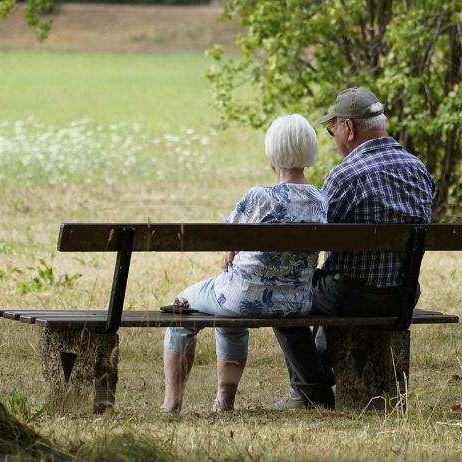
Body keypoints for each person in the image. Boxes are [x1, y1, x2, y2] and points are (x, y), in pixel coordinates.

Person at [267, 87, 436, 410]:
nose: (334, 138)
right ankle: (316, 377)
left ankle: (312, 391)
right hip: (403, 296)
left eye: (333, 131)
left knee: (281, 294)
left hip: (353, 297)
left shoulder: (344, 176)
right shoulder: (419, 170)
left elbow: (315, 241)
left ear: (348, 127)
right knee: (332, 284)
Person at [161, 113, 329, 415]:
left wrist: (231, 248)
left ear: (272, 154)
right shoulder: (320, 200)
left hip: (242, 299)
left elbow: (223, 237)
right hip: (295, 304)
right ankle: (223, 402)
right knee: (228, 310)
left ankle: (171, 404)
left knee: (181, 307)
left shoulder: (259, 197)